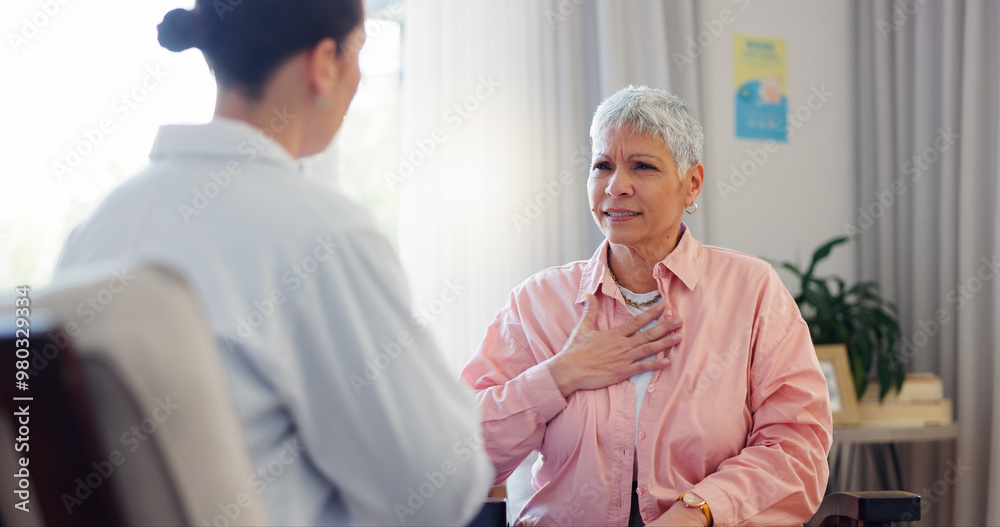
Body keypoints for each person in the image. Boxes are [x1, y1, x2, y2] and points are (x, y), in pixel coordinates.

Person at [53, 2, 493, 525]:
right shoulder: (324, 233)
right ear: (324, 62)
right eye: (359, 54)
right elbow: (441, 488)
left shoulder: (96, 229)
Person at [461, 86, 832, 526]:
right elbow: (460, 453)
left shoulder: (752, 291)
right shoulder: (537, 302)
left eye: (642, 166)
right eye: (603, 166)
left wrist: (700, 511)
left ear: (691, 184)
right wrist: (561, 374)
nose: (616, 186)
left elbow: (796, 447)